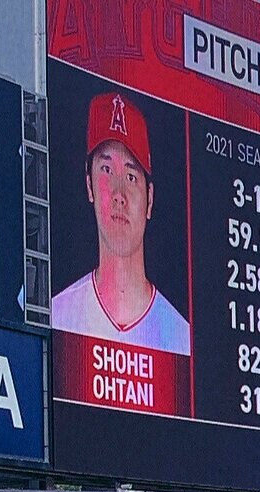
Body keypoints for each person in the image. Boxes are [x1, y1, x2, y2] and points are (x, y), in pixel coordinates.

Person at [51, 90, 190, 352]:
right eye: (106, 170)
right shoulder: (59, 315)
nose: (119, 195)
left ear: (150, 198)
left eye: (131, 176)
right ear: (89, 184)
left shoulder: (181, 337)